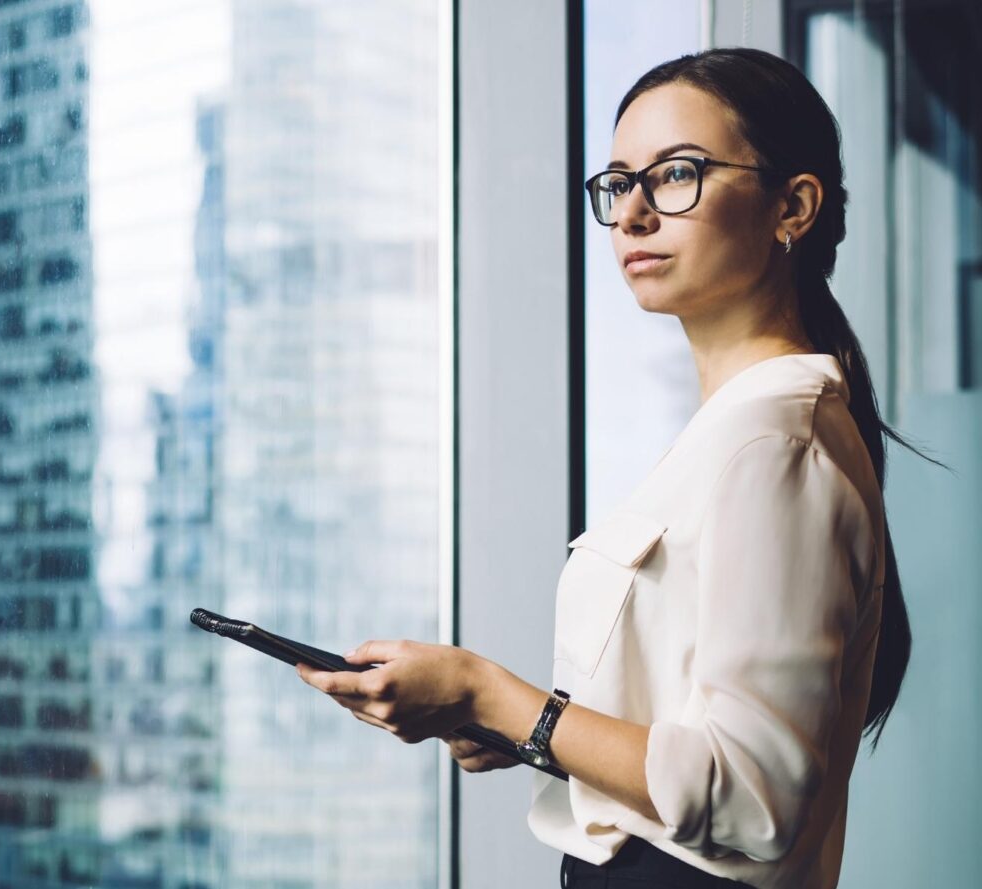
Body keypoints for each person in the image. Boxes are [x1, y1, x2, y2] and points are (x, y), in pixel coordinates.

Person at [296, 47, 934, 889]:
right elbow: (688, 755)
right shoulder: (737, 432)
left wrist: (491, 694)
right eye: (618, 182)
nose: (632, 212)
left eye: (677, 174)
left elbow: (753, 793)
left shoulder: (772, 441)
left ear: (794, 205)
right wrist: (513, 727)